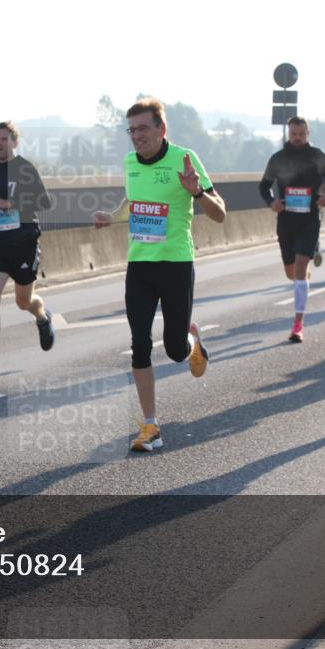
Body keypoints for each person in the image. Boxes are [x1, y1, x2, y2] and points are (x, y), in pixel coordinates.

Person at [92, 98, 226, 452]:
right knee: (138, 342)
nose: (136, 137)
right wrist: (112, 216)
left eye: (143, 129)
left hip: (176, 265)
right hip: (139, 266)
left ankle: (192, 341)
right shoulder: (129, 163)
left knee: (175, 350)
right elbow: (132, 204)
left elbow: (220, 214)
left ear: (161, 129)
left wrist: (195, 190)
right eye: (131, 130)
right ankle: (151, 426)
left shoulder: (185, 159)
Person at [0, 121, 55, 376]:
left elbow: (44, 202)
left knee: (23, 301)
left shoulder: (25, 169)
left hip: (24, 243)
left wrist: (7, 203)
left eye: (3, 139)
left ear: (14, 142)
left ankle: (41, 317)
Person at [258, 116, 325, 343]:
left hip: (310, 218)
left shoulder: (318, 156)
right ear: (288, 134)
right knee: (291, 273)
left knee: (301, 269)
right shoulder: (278, 158)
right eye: (293, 134)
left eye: (301, 134)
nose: (297, 138)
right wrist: (271, 202)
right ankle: (304, 269)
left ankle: (298, 324)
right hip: (286, 220)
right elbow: (264, 186)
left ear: (308, 133)